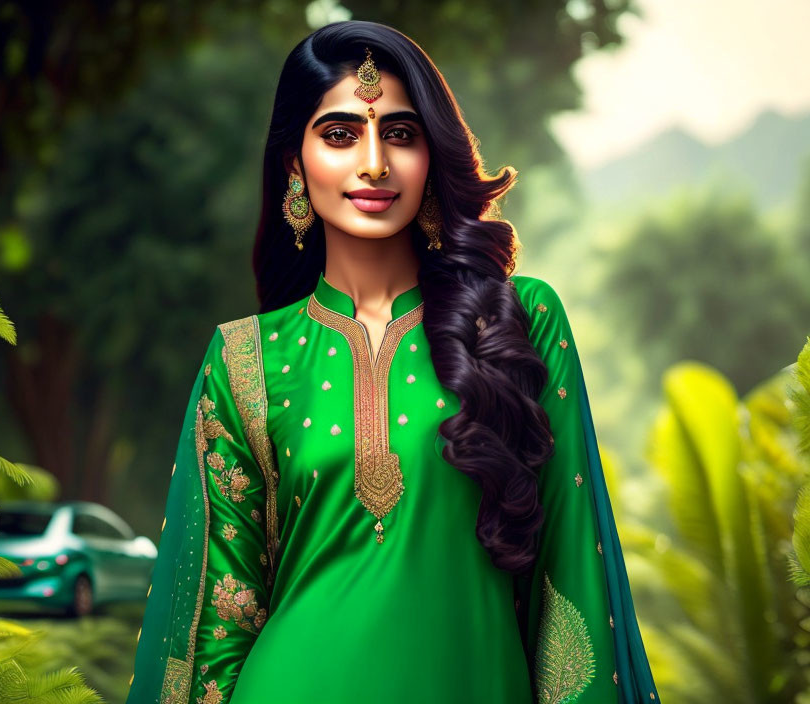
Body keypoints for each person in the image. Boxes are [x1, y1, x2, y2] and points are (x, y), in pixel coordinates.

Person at [125, 20, 660, 704]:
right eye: (341, 134)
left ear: (431, 156)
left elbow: (572, 591)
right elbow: (216, 627)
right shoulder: (244, 360)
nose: (374, 163)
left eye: (400, 134)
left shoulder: (516, 322)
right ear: (295, 162)